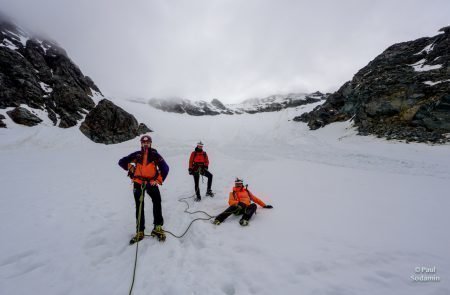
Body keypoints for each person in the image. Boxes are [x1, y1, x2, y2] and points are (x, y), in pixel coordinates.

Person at [118, 135, 169, 243]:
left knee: (157, 202)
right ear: (141, 144)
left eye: (147, 142)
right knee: (139, 206)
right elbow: (122, 161)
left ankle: (158, 227)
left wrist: (158, 180)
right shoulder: (137, 155)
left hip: (151, 183)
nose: (145, 144)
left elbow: (165, 168)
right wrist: (131, 168)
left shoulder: (155, 155)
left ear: (150, 143)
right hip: (138, 183)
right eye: (143, 143)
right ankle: (140, 231)